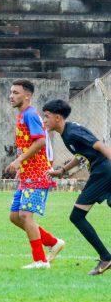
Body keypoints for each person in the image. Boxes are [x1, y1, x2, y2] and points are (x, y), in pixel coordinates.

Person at [42, 99, 111, 276]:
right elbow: (81, 155)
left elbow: (98, 145)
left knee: (77, 216)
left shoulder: (72, 132)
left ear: (57, 117)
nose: (44, 120)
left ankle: (106, 258)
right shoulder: (66, 132)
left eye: (47, 116)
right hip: (103, 172)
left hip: (103, 172)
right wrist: (63, 170)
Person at [5, 80, 63, 269]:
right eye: (11, 92)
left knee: (25, 216)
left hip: (38, 174)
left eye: (16, 93)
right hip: (28, 173)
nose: (11, 96)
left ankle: (40, 260)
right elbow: (26, 143)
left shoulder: (30, 114)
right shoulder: (22, 114)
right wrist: (21, 168)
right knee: (15, 216)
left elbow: (39, 142)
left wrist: (18, 161)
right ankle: (53, 243)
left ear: (27, 95)